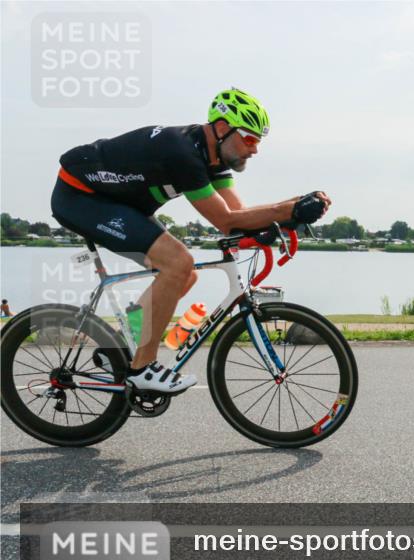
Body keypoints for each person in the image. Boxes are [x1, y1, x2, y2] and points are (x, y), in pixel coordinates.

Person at [50, 88, 330, 393]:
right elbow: (226, 221)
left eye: (258, 142)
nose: (255, 150)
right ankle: (142, 368)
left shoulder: (214, 158)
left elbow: (238, 212)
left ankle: (119, 350)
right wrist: (288, 209)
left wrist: (295, 208)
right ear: (223, 128)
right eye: (250, 139)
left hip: (120, 203)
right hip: (80, 196)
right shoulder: (182, 152)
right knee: (178, 263)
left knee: (185, 273)